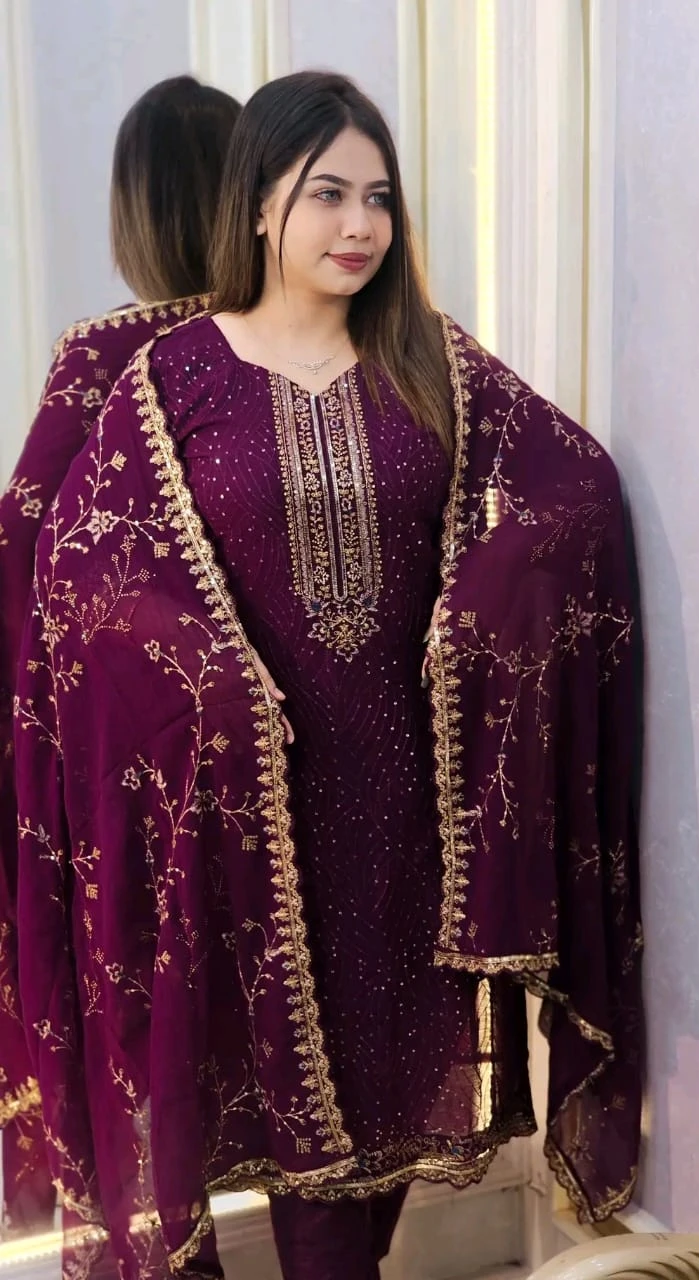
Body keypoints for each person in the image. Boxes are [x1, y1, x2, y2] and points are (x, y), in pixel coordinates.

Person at [12, 71, 643, 1279]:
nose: (360, 225)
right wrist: (205, 670)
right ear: (259, 204)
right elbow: (86, 571)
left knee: (391, 1100)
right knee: (279, 1108)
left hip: (408, 810)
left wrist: (476, 608)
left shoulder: (432, 359)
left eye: (380, 198)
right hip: (259, 815)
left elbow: (575, 482)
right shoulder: (170, 378)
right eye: (328, 194)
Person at [0, 73, 241, 1239]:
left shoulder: (107, 358)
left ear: (133, 213)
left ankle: (162, 1245)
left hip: (133, 766)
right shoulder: (296, 348)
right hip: (290, 743)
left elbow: (20, 549)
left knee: (147, 1021)